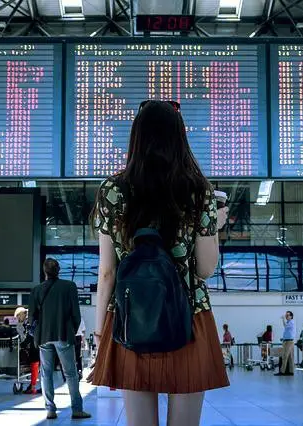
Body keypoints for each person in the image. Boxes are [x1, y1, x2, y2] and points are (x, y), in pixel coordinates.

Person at [89, 100, 230, 426]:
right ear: (180, 138)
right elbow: (206, 270)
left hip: (129, 318)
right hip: (189, 318)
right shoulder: (199, 191)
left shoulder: (113, 190)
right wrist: (214, 228)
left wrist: (100, 332)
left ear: (136, 138)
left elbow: (107, 271)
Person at [29, 258, 90, 421]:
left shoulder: (36, 290)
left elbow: (31, 317)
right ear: (58, 270)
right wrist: (72, 331)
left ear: (44, 271)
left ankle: (50, 409)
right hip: (64, 335)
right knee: (70, 374)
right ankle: (77, 409)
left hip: (43, 337)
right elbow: (76, 314)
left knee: (46, 373)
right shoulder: (69, 287)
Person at [14, 307, 39, 394]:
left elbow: (30, 335)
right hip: (37, 344)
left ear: (22, 314)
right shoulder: (30, 320)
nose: (18, 318)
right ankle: (34, 386)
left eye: (18, 316)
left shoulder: (30, 321)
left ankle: (32, 387)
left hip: (35, 346)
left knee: (35, 365)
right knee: (36, 366)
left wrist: (23, 344)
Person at [276, 311, 295, 376]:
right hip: (287, 341)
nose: (286, 316)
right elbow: (288, 332)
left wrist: (283, 319)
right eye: (286, 315)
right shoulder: (289, 322)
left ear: (291, 316)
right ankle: (291, 371)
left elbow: (285, 326)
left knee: (284, 356)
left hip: (289, 342)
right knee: (290, 357)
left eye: (288, 315)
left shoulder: (291, 322)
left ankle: (282, 371)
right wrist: (283, 338)